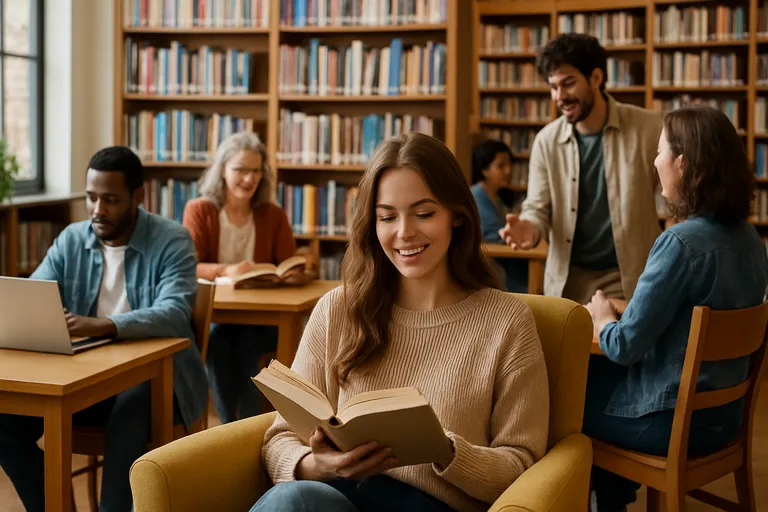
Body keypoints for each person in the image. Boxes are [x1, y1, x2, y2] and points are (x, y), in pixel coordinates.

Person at [250, 133, 549, 512]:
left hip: (431, 506)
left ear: (457, 215)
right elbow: (278, 439)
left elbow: (522, 464)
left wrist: (447, 451)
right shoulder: (338, 309)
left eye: (424, 213)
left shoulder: (506, 322)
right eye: (387, 216)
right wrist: (317, 465)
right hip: (336, 498)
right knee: (293, 499)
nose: (404, 232)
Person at [0, 146, 209, 512]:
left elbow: (175, 312)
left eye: (111, 200)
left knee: (129, 412)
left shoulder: (172, 240)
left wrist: (105, 325)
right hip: (87, 379)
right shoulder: (71, 239)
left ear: (137, 197)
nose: (98, 210)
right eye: (91, 197)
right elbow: (35, 296)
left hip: (159, 383)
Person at [583, 105, 768, 512]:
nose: (654, 161)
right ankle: (612, 500)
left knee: (568, 400)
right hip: (724, 421)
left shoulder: (679, 244)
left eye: (660, 151)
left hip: (671, 425)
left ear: (682, 164)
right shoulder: (752, 242)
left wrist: (602, 317)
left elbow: (623, 346)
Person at [498, 33, 663, 304]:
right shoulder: (546, 141)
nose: (559, 96)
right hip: (567, 283)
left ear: (596, 78)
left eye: (568, 83)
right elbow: (537, 208)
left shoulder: (648, 128)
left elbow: (678, 191)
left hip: (632, 279)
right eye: (553, 87)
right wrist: (528, 229)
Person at [183, 131, 302, 424]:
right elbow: (188, 265)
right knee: (220, 342)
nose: (249, 179)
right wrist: (226, 270)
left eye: (255, 171)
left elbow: (289, 263)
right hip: (218, 316)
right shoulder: (199, 210)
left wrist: (291, 273)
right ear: (222, 169)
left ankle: (246, 427)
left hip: (263, 319)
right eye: (240, 170)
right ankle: (237, 426)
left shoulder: (272, 214)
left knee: (243, 342)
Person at [470, 138, 528, 292]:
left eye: (510, 165)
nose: (508, 171)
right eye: (501, 166)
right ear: (484, 169)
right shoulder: (477, 196)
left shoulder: (497, 198)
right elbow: (493, 234)